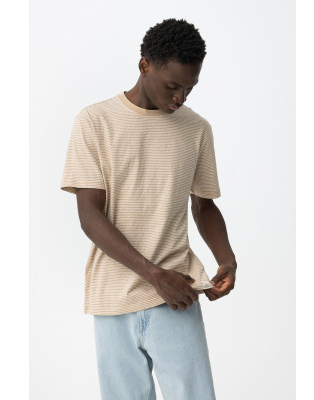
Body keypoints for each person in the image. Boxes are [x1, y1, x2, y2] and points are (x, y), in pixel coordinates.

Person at [61, 17, 237, 400]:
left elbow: (204, 204)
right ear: (144, 65)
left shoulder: (196, 129)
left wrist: (226, 259)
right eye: (173, 86)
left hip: (178, 295)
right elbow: (89, 216)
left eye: (189, 88)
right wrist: (154, 275)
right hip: (114, 298)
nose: (180, 98)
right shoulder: (94, 122)